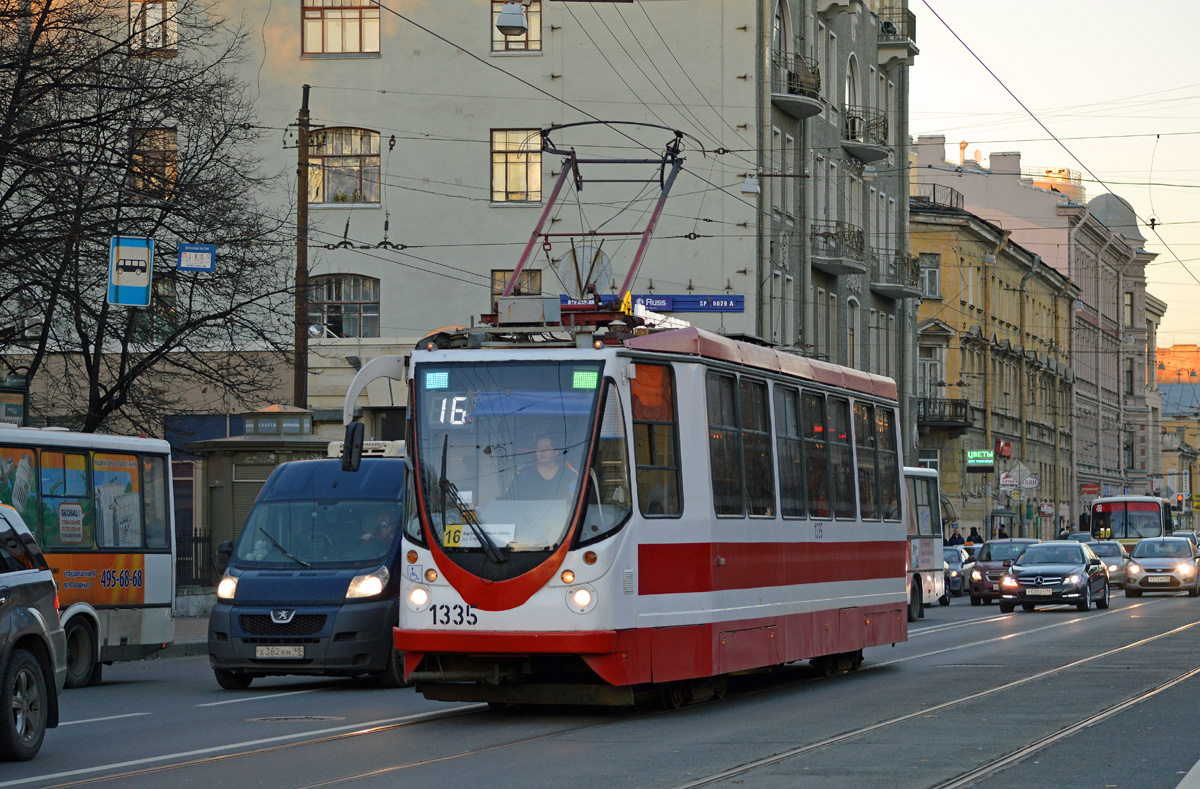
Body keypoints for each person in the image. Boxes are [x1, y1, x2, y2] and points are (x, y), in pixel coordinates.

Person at [504, 436, 577, 500]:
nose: (542, 451)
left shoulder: (567, 475)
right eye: (539, 448)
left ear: (555, 452)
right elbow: (509, 499)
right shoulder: (525, 474)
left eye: (547, 448)